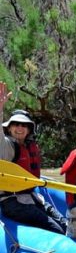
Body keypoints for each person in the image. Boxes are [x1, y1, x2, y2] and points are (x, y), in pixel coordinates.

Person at [0, 82, 67, 234]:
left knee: (65, 225)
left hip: (32, 197)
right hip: (12, 201)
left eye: (24, 125)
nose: (19, 128)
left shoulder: (30, 146)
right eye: (15, 124)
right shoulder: (7, 146)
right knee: (55, 229)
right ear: (9, 128)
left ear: (29, 129)